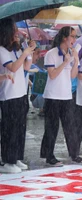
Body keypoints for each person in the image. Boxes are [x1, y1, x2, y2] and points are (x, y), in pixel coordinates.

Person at [40, 26, 82, 167]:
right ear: (65, 38)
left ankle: (74, 154)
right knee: (52, 127)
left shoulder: (70, 53)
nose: (74, 39)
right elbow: (52, 75)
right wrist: (65, 62)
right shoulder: (52, 54)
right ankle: (49, 156)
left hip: (66, 95)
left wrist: (75, 60)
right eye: (73, 36)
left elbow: (72, 76)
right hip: (53, 96)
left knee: (70, 127)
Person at [0, 18, 36, 173]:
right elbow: (13, 68)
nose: (17, 33)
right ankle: (8, 160)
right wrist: (25, 53)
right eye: (14, 30)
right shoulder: (2, 50)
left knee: (20, 127)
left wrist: (29, 51)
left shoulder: (17, 49)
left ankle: (17, 157)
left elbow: (26, 66)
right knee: (10, 128)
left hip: (21, 92)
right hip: (9, 95)